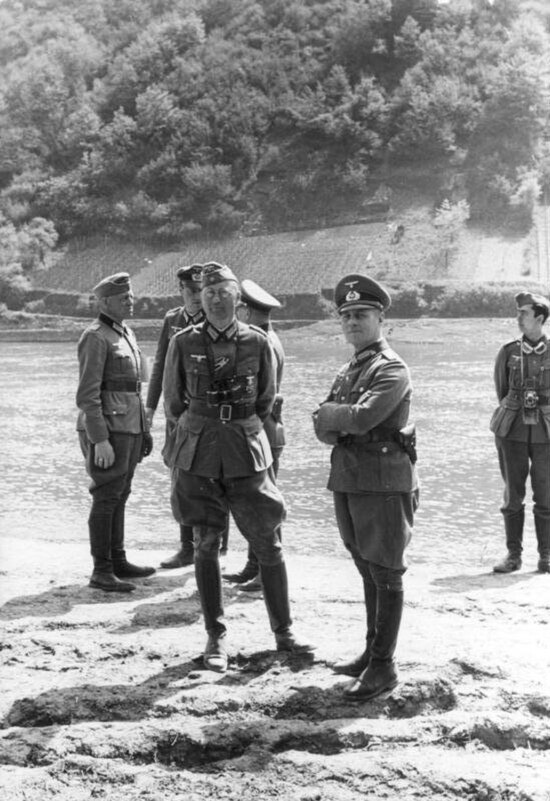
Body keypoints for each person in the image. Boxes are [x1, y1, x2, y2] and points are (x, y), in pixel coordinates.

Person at [163, 262, 313, 672]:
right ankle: (216, 637)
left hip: (246, 452)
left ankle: (284, 632)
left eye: (222, 291)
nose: (214, 298)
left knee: (268, 542)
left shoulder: (257, 342)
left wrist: (237, 423)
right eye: (208, 292)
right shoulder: (182, 342)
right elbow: (173, 403)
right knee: (206, 544)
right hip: (199, 454)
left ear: (236, 299)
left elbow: (265, 400)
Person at [313, 274, 418, 701]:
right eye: (347, 316)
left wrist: (334, 416)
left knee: (386, 570)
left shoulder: (391, 367)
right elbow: (323, 426)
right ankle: (372, 652)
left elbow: (359, 419)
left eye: (362, 314)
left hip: (384, 482)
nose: (353, 322)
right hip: (351, 477)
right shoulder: (350, 368)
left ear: (380, 319)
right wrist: (337, 418)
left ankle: (384, 666)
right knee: (365, 565)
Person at [76, 272, 155, 593]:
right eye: (124, 299)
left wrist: (144, 431)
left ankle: (118, 560)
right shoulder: (95, 337)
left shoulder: (126, 334)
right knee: (106, 495)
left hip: (130, 427)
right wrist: (100, 440)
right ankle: (102, 569)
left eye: (132, 297)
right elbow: (87, 395)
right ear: (105, 302)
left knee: (121, 493)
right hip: (109, 429)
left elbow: (136, 389)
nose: (131, 302)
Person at [224, 279, 285, 592]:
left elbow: (262, 393)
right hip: (266, 429)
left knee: (264, 502)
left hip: (264, 430)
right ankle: (254, 566)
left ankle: (265, 571)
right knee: (256, 497)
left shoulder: (260, 340)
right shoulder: (269, 336)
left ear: (246, 310)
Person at [145, 263, 205, 569]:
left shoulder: (215, 319)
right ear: (180, 291)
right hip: (175, 415)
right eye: (191, 291)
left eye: (200, 290)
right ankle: (186, 546)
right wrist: (150, 408)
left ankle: (214, 547)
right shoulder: (173, 320)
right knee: (180, 479)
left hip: (205, 415)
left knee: (211, 479)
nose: (196, 297)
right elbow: (159, 368)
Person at [490, 291, 550, 574]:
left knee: (546, 495)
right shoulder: (508, 351)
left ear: (539, 318)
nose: (518, 318)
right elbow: (501, 390)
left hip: (546, 434)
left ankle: (546, 557)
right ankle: (513, 556)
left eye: (523, 313)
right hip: (511, 430)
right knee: (513, 495)